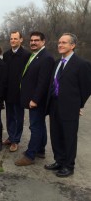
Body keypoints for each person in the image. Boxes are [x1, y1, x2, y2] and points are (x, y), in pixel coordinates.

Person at [44, 33, 91, 177]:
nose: (60, 45)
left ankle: (68, 166)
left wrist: (78, 104)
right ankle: (59, 160)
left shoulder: (81, 64)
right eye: (59, 42)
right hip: (54, 105)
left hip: (70, 107)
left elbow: (86, 87)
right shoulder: (58, 62)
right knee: (56, 134)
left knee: (69, 137)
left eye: (64, 43)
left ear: (73, 45)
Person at [15, 31, 54, 166]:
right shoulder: (35, 55)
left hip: (37, 100)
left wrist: (35, 99)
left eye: (36, 40)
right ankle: (40, 150)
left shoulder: (46, 58)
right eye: (31, 40)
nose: (33, 42)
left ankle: (30, 155)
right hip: (33, 99)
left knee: (35, 126)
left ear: (43, 42)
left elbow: (43, 82)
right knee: (40, 125)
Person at [3, 31, 30, 152]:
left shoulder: (26, 55)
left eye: (15, 38)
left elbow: (28, 75)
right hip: (8, 91)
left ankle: (16, 140)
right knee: (9, 116)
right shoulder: (6, 55)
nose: (13, 41)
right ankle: (11, 136)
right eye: (11, 39)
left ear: (21, 40)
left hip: (20, 92)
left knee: (18, 117)